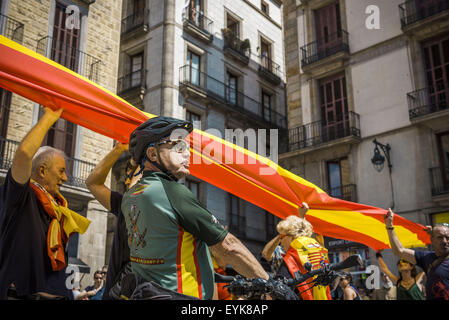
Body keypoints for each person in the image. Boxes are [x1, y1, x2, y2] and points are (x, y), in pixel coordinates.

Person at [120, 116, 269, 300]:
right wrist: (268, 284)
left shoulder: (130, 195)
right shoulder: (172, 191)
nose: (187, 153)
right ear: (152, 154)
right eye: (178, 147)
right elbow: (229, 246)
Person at [0, 107, 90, 300]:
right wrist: (50, 115)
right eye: (61, 171)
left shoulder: (58, 210)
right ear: (42, 171)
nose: (65, 178)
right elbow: (24, 153)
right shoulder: (21, 196)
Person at [85, 142, 142, 300]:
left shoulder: (162, 206)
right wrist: (118, 149)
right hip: (117, 290)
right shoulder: (123, 203)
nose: (127, 177)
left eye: (134, 170)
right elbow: (92, 182)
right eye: (127, 171)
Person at [384, 209, 449, 300]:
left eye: (447, 237)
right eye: (440, 238)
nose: (445, 241)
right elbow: (399, 251)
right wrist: (389, 226)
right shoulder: (427, 258)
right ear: (432, 240)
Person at [273, 214, 332, 300]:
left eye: (281, 237)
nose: (280, 241)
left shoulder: (292, 255)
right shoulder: (317, 248)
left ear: (292, 236)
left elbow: (279, 289)